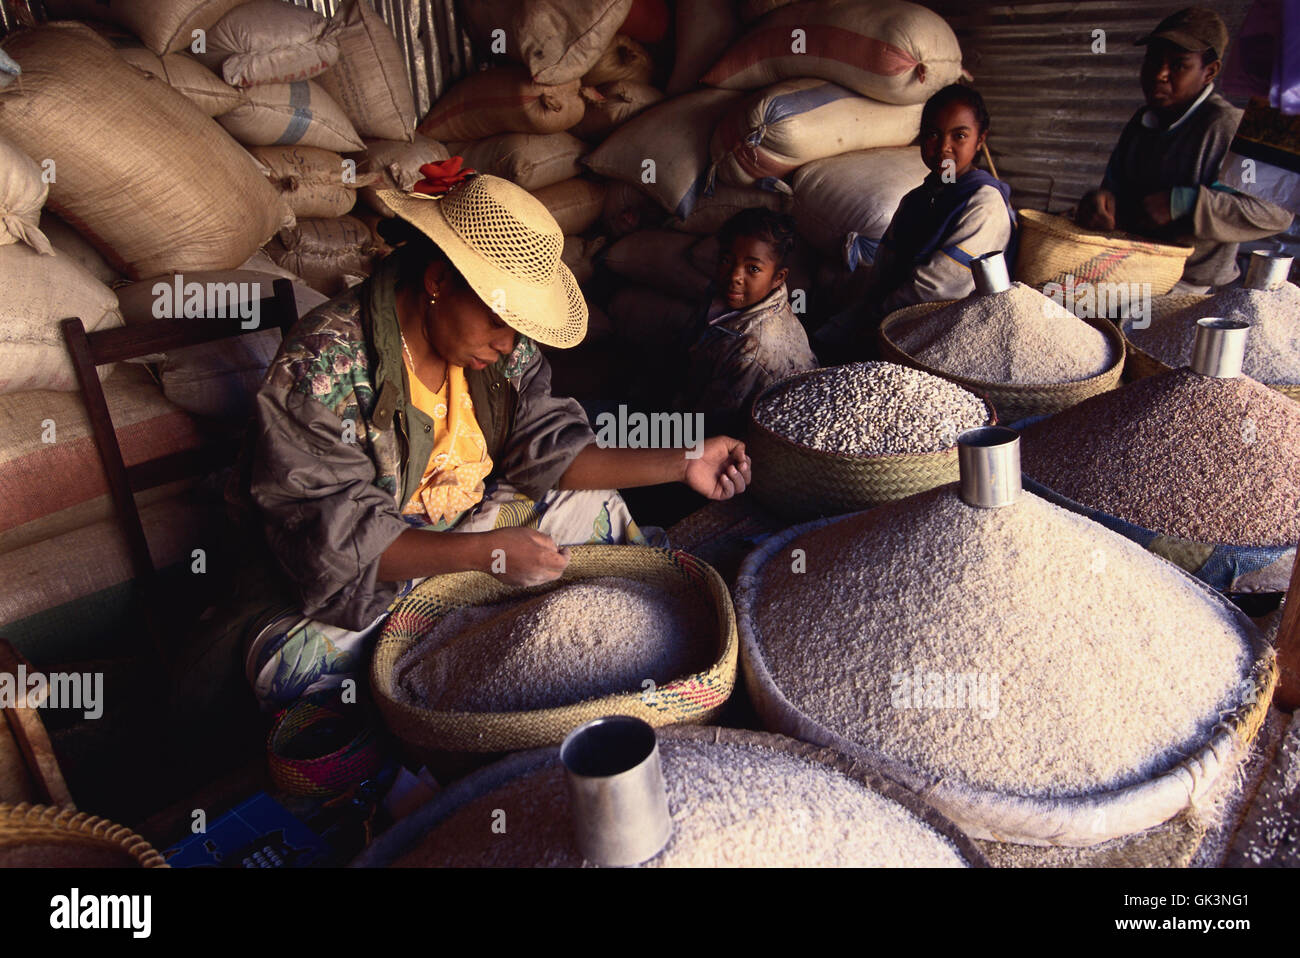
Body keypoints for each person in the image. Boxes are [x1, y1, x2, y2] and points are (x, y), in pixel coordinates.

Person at [239, 166, 752, 708]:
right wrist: (486, 556)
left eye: (519, 327)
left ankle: (498, 646)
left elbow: (549, 449)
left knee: (591, 505)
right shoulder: (324, 365)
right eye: (499, 320)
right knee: (288, 670)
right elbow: (339, 541)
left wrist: (684, 460)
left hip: (469, 521)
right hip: (370, 573)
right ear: (437, 280)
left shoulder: (501, 352)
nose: (511, 344)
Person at [1075, 7, 1293, 292]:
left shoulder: (1226, 126)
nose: (1160, 74)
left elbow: (1275, 212)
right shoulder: (1142, 122)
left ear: (1209, 72)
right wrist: (1102, 203)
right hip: (1131, 270)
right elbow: (1114, 190)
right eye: (1153, 60)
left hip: (1193, 286)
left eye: (1178, 65)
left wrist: (1185, 203)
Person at [815, 84, 1015, 359]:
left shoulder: (984, 203)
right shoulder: (916, 200)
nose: (944, 147)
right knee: (822, 337)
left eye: (959, 136)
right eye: (933, 134)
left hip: (951, 331)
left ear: (980, 140)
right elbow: (882, 270)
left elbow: (935, 290)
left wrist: (873, 323)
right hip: (892, 316)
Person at [673, 208, 818, 438]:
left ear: (778, 278)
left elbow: (711, 428)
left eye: (753, 269)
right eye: (726, 260)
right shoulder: (726, 298)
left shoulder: (753, 349)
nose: (735, 276)